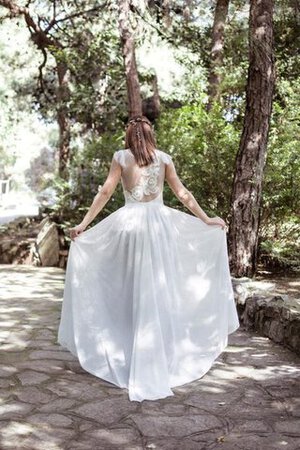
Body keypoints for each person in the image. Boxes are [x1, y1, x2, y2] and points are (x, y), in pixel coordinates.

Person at [57, 115, 240, 402]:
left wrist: (84, 224)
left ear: (129, 137)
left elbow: (106, 192)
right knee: (159, 287)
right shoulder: (164, 158)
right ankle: (158, 351)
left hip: (129, 226)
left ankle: (132, 351)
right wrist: (206, 219)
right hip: (159, 228)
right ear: (150, 135)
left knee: (130, 288)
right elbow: (182, 193)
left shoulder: (121, 158)